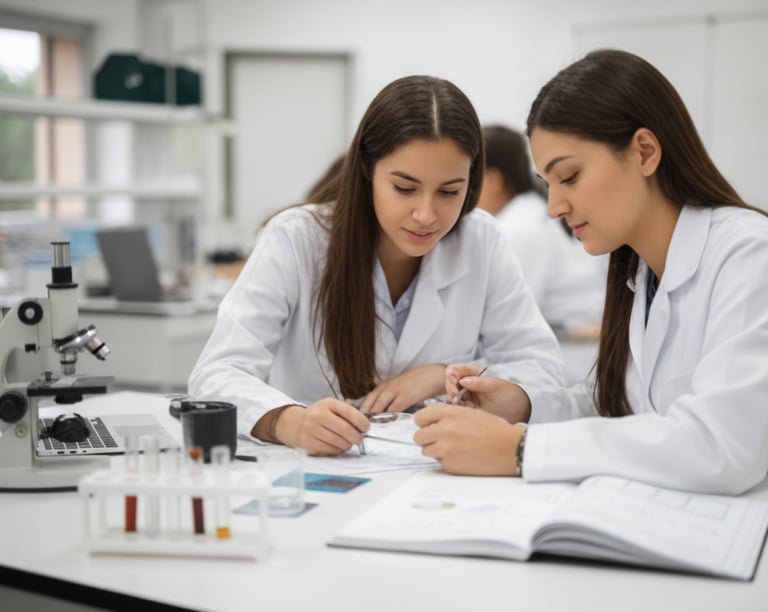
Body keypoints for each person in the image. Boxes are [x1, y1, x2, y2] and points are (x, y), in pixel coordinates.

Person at [413, 49, 768, 495]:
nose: (555, 206)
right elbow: (619, 407)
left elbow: (720, 446)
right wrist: (522, 406)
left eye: (570, 176)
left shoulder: (749, 254)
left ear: (644, 151)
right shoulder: (639, 271)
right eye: (548, 183)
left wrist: (522, 449)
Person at [188, 75, 564, 456]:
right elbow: (216, 372)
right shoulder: (295, 238)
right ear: (368, 169)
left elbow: (540, 368)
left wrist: (442, 375)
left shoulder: (479, 239)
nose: (425, 214)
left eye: (449, 191)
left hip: (431, 473)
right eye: (404, 188)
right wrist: (290, 421)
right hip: (310, 472)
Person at [477, 124, 605, 335]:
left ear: (492, 180)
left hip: (575, 348)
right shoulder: (532, 211)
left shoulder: (516, 228)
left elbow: (507, 320)